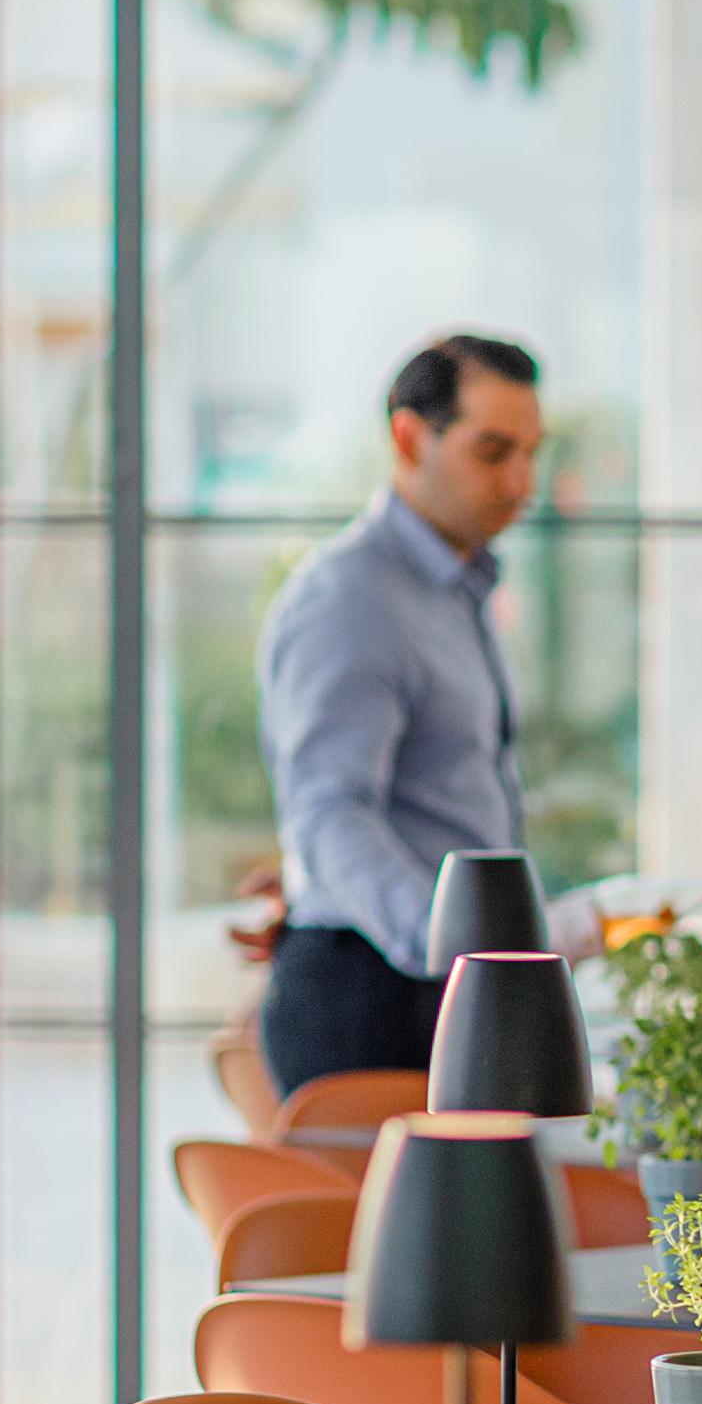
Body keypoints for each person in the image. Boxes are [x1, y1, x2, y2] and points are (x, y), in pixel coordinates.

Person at [252, 332, 544, 1091]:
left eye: (530, 453)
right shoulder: (351, 600)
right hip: (371, 1002)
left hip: (437, 985)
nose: (521, 482)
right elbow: (327, 812)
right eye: (492, 451)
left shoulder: (454, 591)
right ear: (410, 436)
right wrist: (459, 944)